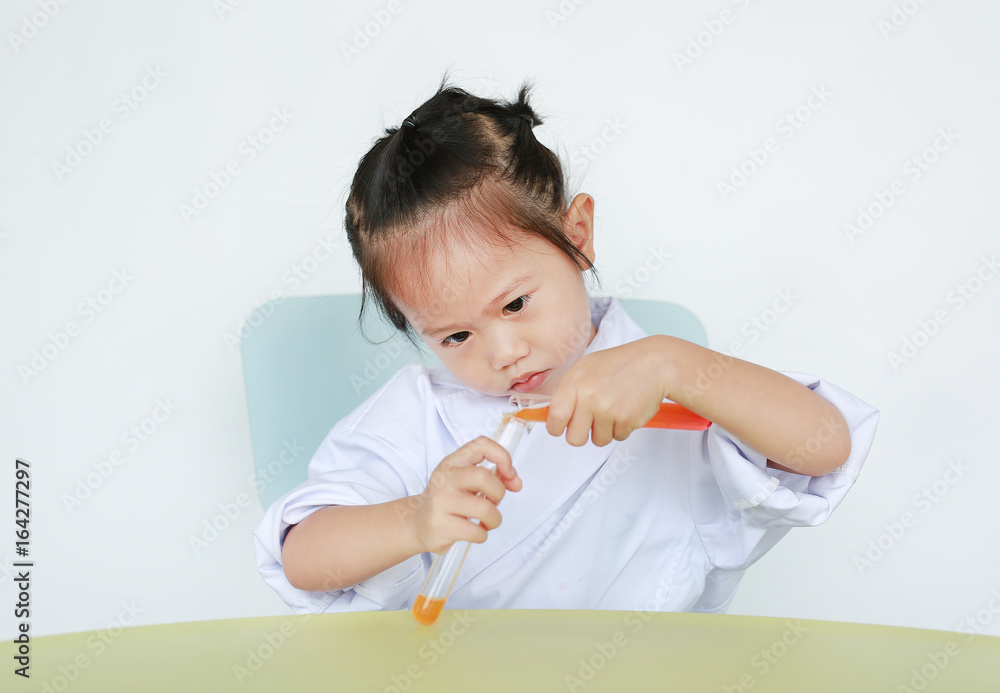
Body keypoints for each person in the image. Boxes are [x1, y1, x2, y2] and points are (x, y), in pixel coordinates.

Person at [253, 76, 879, 615]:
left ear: (577, 234)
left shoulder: (677, 386)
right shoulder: (419, 415)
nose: (502, 353)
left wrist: (673, 361)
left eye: (516, 304)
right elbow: (303, 557)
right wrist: (414, 518)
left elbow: (824, 447)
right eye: (455, 335)